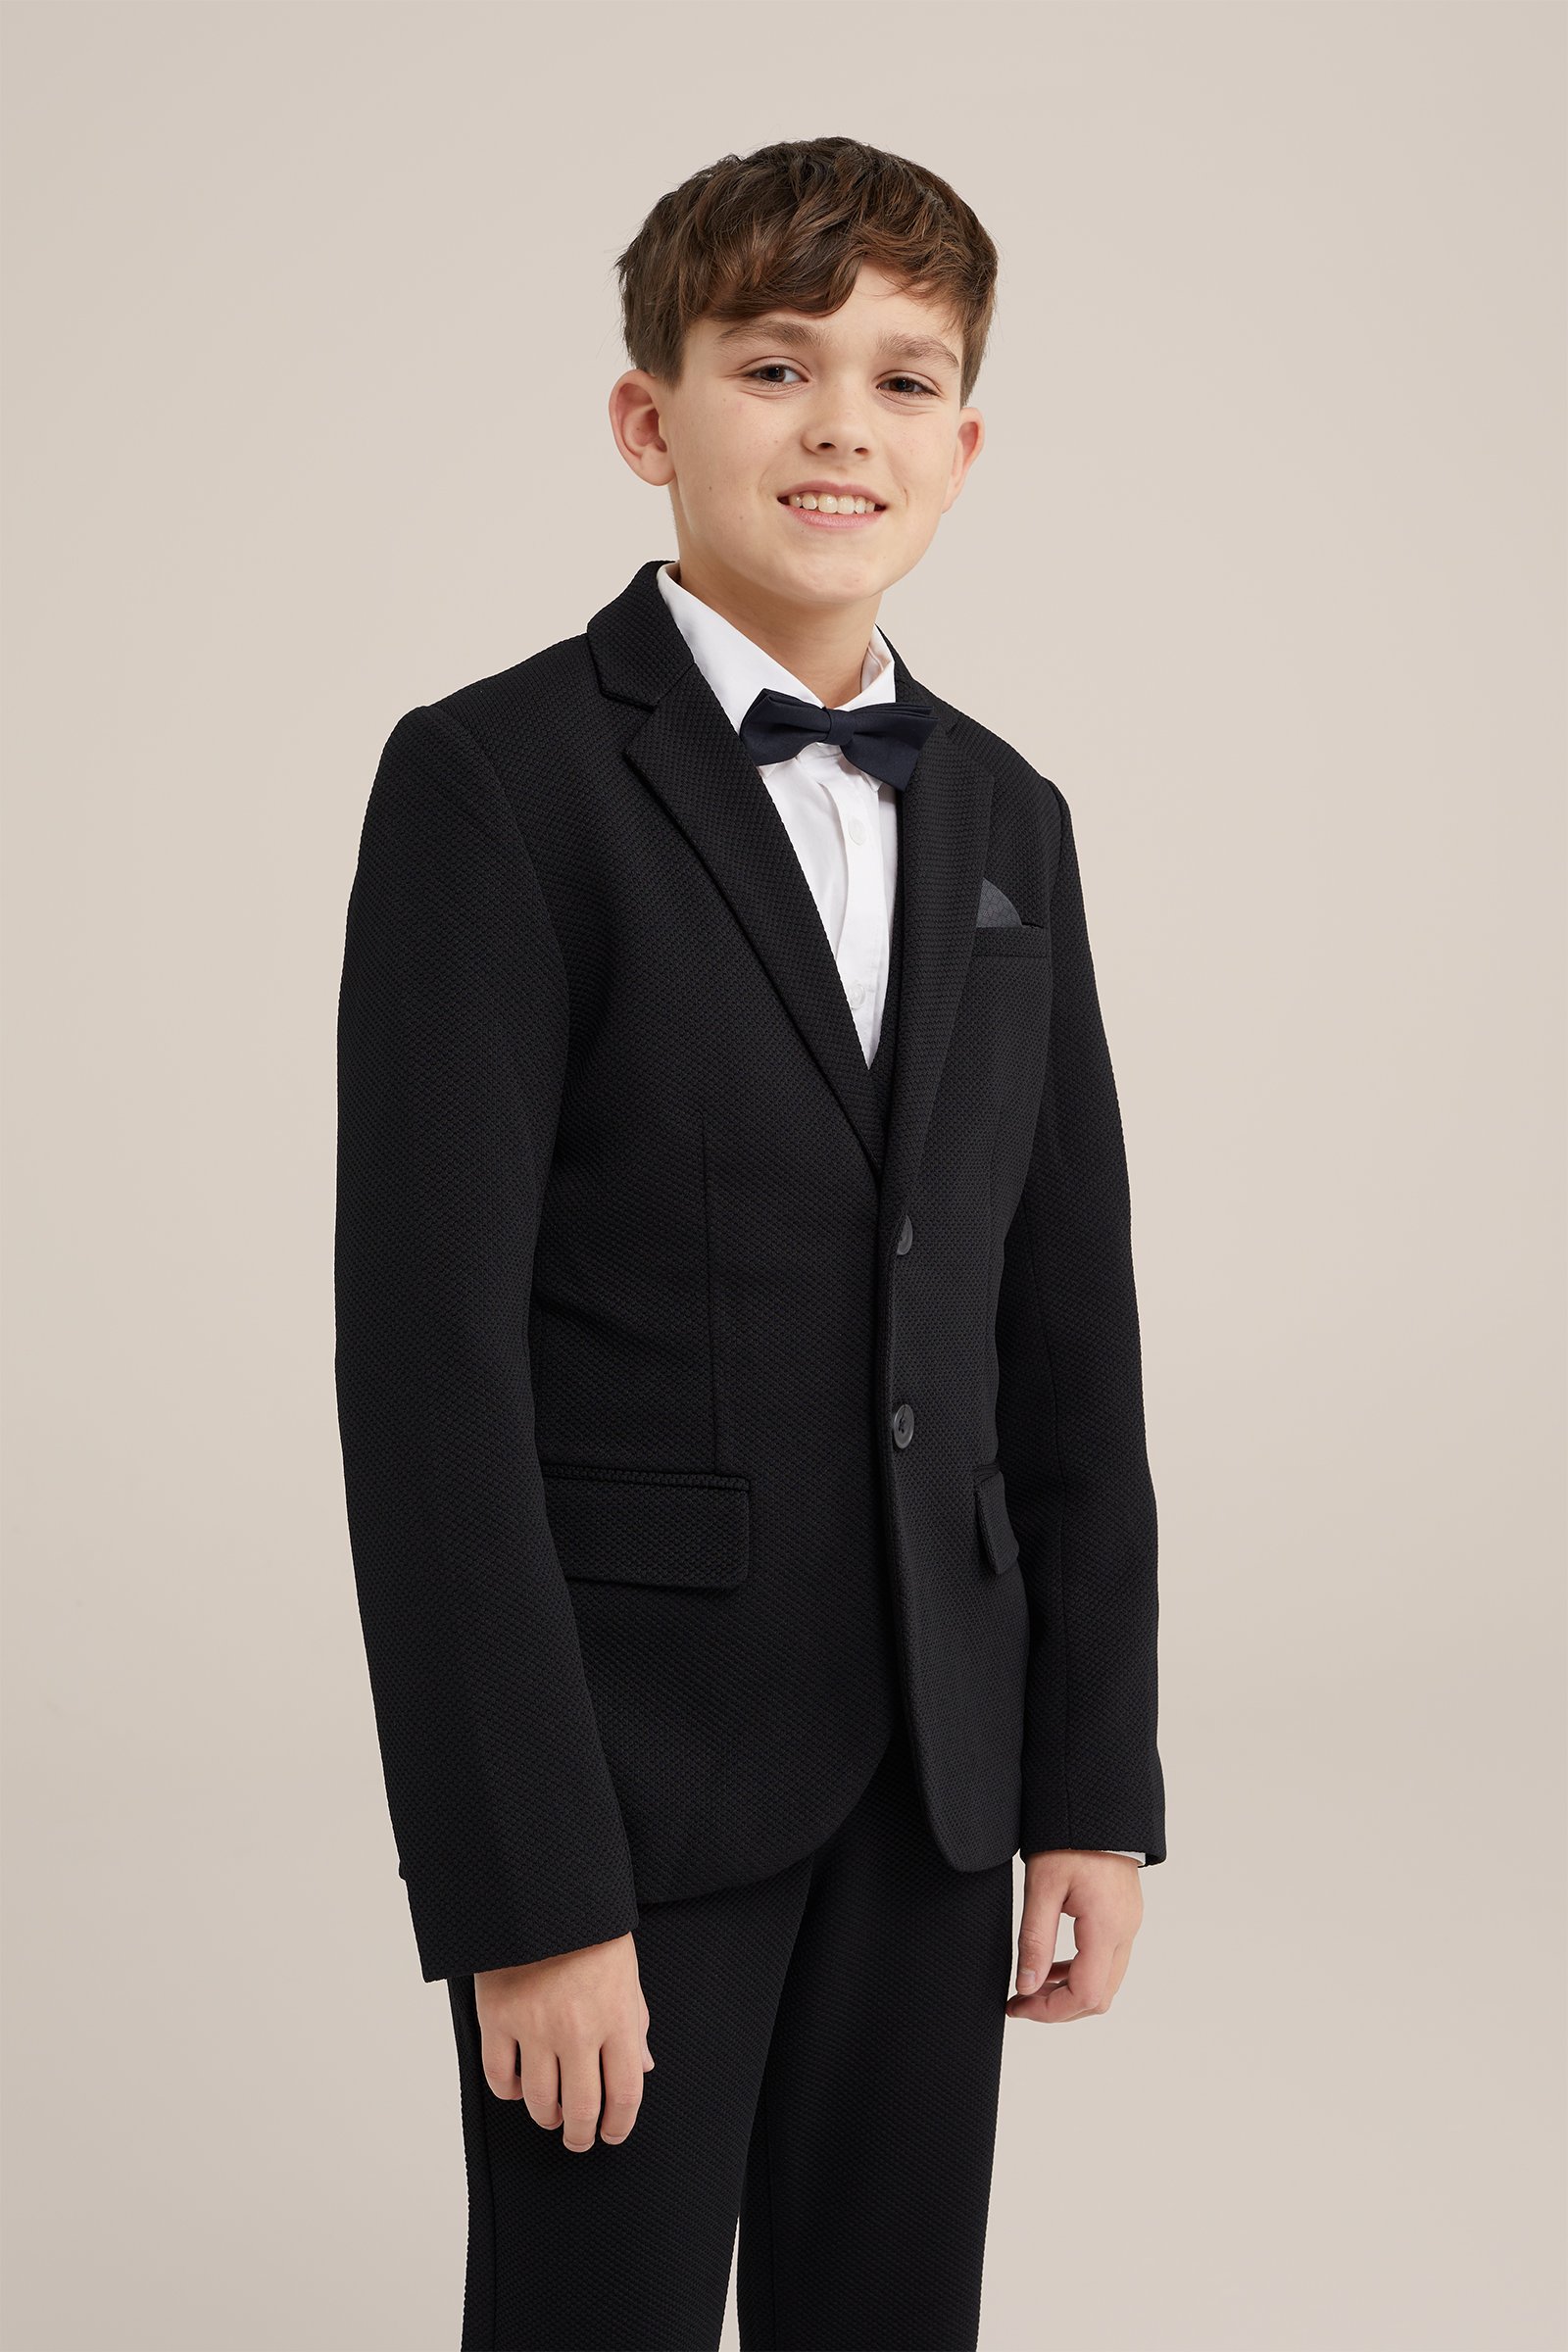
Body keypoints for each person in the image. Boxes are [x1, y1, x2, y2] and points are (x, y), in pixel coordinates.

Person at [334, 133, 1166, 2352]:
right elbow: (426, 1380)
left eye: (904, 380)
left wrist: (1088, 1789)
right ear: (649, 418)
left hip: (939, 1781)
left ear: (964, 447)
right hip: (629, 1788)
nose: (839, 428)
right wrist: (525, 1894)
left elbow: (1063, 1333)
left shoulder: (1009, 818)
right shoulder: (495, 786)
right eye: (775, 366)